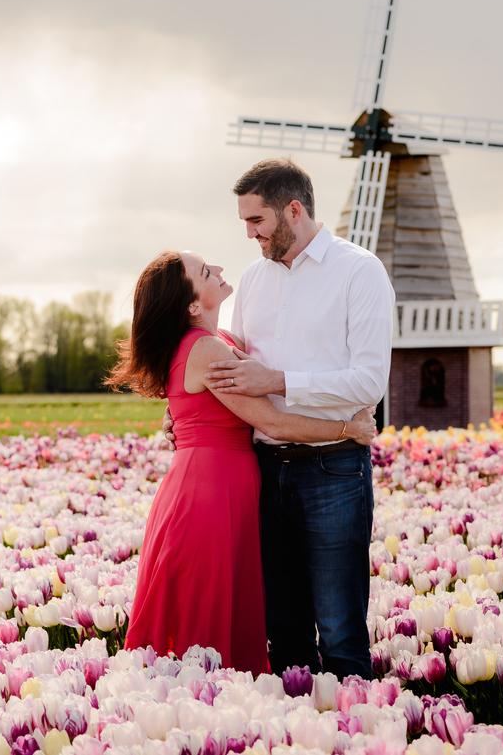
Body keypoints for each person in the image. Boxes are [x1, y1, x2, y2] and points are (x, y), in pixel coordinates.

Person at [109, 249, 376, 675]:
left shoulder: (222, 342)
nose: (217, 268)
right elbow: (271, 420)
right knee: (207, 616)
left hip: (218, 485)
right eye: (204, 271)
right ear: (194, 304)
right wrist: (347, 430)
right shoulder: (207, 349)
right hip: (209, 495)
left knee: (225, 608)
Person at [190, 157, 394, 678]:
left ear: (294, 210)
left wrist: (278, 380)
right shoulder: (254, 281)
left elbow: (369, 383)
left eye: (256, 221)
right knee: (283, 633)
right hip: (261, 467)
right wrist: (190, 414)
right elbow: (238, 374)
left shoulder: (359, 271)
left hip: (333, 469)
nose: (250, 235)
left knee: (341, 630)